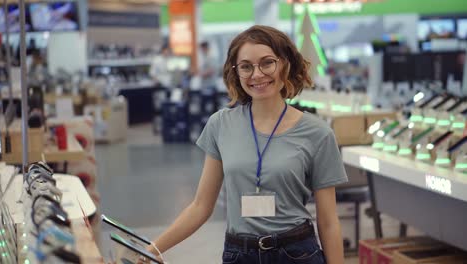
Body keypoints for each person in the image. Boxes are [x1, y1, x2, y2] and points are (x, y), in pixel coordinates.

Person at [138, 25, 348, 264]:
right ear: (236, 72)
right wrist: (152, 248)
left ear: (285, 65)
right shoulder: (221, 124)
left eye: (267, 63)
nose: (257, 74)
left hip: (296, 253)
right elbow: (200, 206)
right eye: (246, 66)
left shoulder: (317, 133)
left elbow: (329, 221)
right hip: (240, 254)